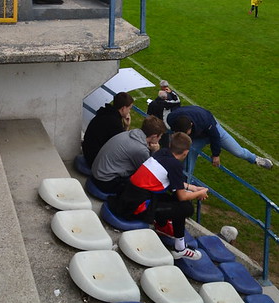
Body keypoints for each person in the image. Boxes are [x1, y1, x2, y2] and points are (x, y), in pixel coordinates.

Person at [111, 132, 208, 260]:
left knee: (177, 200)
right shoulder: (175, 165)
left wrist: (193, 188)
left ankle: (165, 229)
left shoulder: (162, 153)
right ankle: (179, 248)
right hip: (135, 207)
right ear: (186, 152)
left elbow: (172, 182)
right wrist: (200, 193)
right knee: (186, 208)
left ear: (170, 145)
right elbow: (182, 197)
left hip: (129, 196)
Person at [167, 105, 273, 179]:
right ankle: (186, 184)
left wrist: (216, 154)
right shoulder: (171, 119)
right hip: (197, 138)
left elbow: (215, 136)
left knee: (238, 151)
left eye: (187, 133)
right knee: (189, 157)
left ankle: (255, 159)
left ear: (191, 125)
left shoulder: (204, 119)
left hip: (212, 132)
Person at [90, 115, 166, 195]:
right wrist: (155, 152)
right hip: (104, 182)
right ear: (154, 137)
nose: (160, 139)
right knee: (142, 186)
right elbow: (148, 171)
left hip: (97, 173)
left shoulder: (132, 133)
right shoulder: (140, 149)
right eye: (160, 136)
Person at [82, 92, 134, 168]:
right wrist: (127, 126)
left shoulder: (106, 112)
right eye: (129, 108)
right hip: (93, 158)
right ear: (123, 108)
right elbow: (121, 145)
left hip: (87, 150)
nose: (129, 111)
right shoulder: (114, 122)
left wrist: (125, 126)